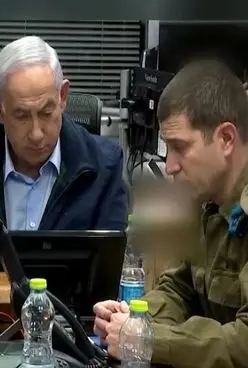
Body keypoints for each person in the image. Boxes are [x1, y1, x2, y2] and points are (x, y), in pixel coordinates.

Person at [93, 59, 248, 368]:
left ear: (226, 139)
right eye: (168, 148)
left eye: (181, 147)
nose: (171, 166)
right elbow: (180, 288)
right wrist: (134, 317)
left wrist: (148, 341)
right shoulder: (204, 199)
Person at [0, 36, 128, 231]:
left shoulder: (105, 168)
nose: (36, 134)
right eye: (22, 116)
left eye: (46, 113)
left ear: (62, 96)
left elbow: (111, 250)